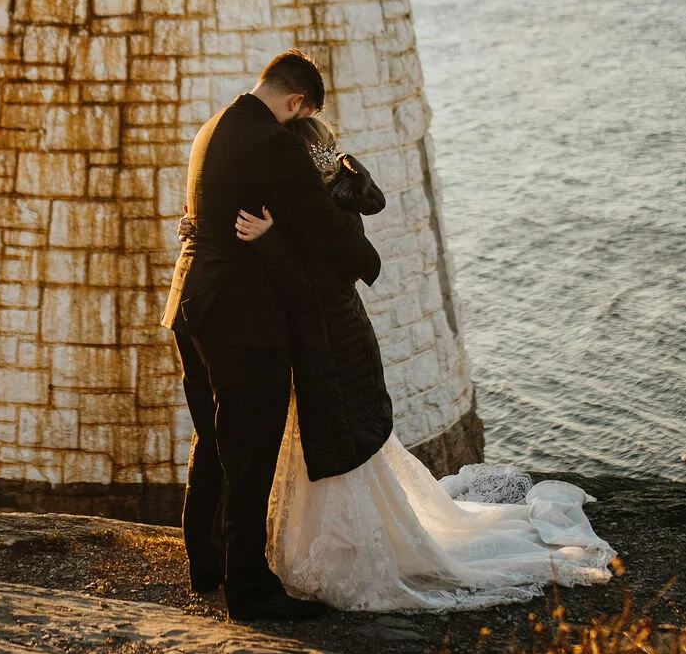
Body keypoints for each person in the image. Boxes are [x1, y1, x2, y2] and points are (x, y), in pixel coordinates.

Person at [234, 116, 623, 612]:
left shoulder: (322, 215)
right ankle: (335, 545)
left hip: (331, 344)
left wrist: (268, 240)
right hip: (338, 339)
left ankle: (346, 555)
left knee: (339, 447)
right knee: (340, 447)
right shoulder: (334, 199)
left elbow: (309, 289)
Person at [162, 50, 380, 621]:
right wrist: (364, 256)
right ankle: (250, 590)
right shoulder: (274, 143)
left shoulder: (215, 126)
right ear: (298, 102)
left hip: (191, 301)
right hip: (239, 317)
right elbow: (320, 221)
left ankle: (205, 564)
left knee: (212, 436)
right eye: (301, 112)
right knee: (249, 446)